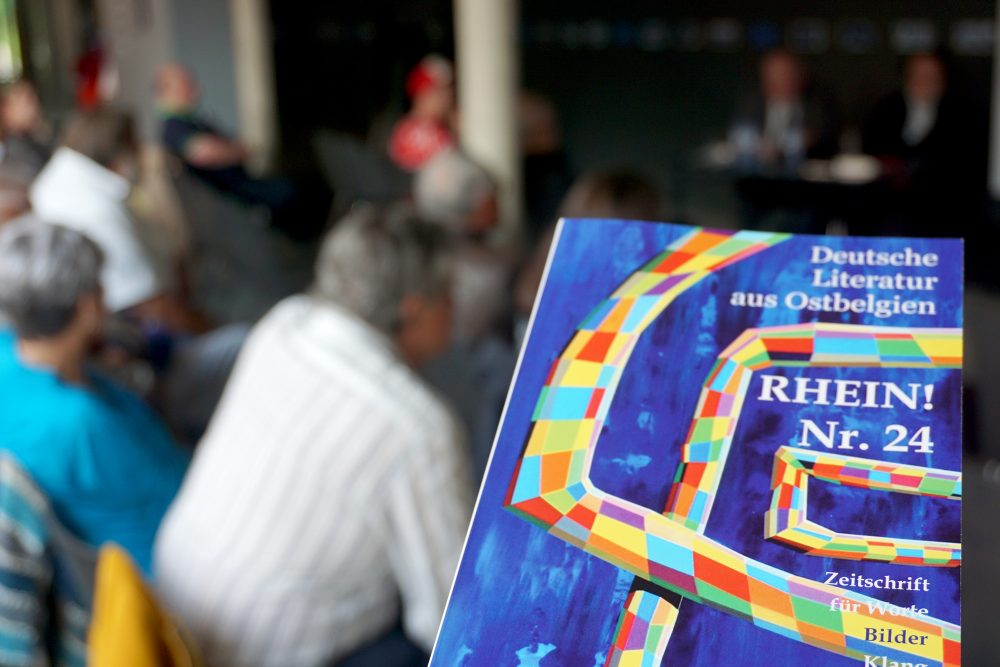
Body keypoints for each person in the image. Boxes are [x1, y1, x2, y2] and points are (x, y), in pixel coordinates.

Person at [154, 204, 473, 667]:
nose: (455, 309)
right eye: (449, 295)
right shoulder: (417, 426)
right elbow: (448, 615)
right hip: (266, 648)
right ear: (414, 308)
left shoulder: (286, 323)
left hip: (174, 602)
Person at [30, 106, 246, 442]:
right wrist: (208, 329)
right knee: (243, 344)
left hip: (127, 344)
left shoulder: (59, 181)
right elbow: (154, 305)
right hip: (143, 356)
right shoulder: (96, 209)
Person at [0, 217, 190, 575]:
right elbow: (179, 498)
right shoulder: (84, 421)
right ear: (88, 307)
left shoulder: (6, 352)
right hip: (166, 572)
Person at [414, 148, 517, 476]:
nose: (499, 201)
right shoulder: (503, 268)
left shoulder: (410, 261)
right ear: (475, 206)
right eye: (494, 194)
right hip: (484, 414)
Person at [862, 53, 984, 236]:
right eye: (919, 75)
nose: (926, 81)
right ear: (907, 77)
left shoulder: (963, 113)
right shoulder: (885, 108)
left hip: (944, 201)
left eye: (933, 76)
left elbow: (964, 163)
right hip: (889, 200)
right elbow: (873, 151)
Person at [730, 49, 839, 168]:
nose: (780, 81)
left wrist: (780, 148)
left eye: (786, 74)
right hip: (756, 173)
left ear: (800, 76)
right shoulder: (751, 103)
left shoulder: (817, 104)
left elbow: (816, 138)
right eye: (773, 75)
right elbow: (740, 136)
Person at [388, 55, 456, 171]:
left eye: (449, 89)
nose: (448, 96)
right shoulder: (417, 132)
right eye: (440, 90)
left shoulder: (435, 126)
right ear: (422, 94)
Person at [0, 80, 52, 182]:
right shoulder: (9, 152)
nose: (33, 109)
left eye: (33, 100)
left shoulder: (39, 139)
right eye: (25, 102)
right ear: (5, 109)